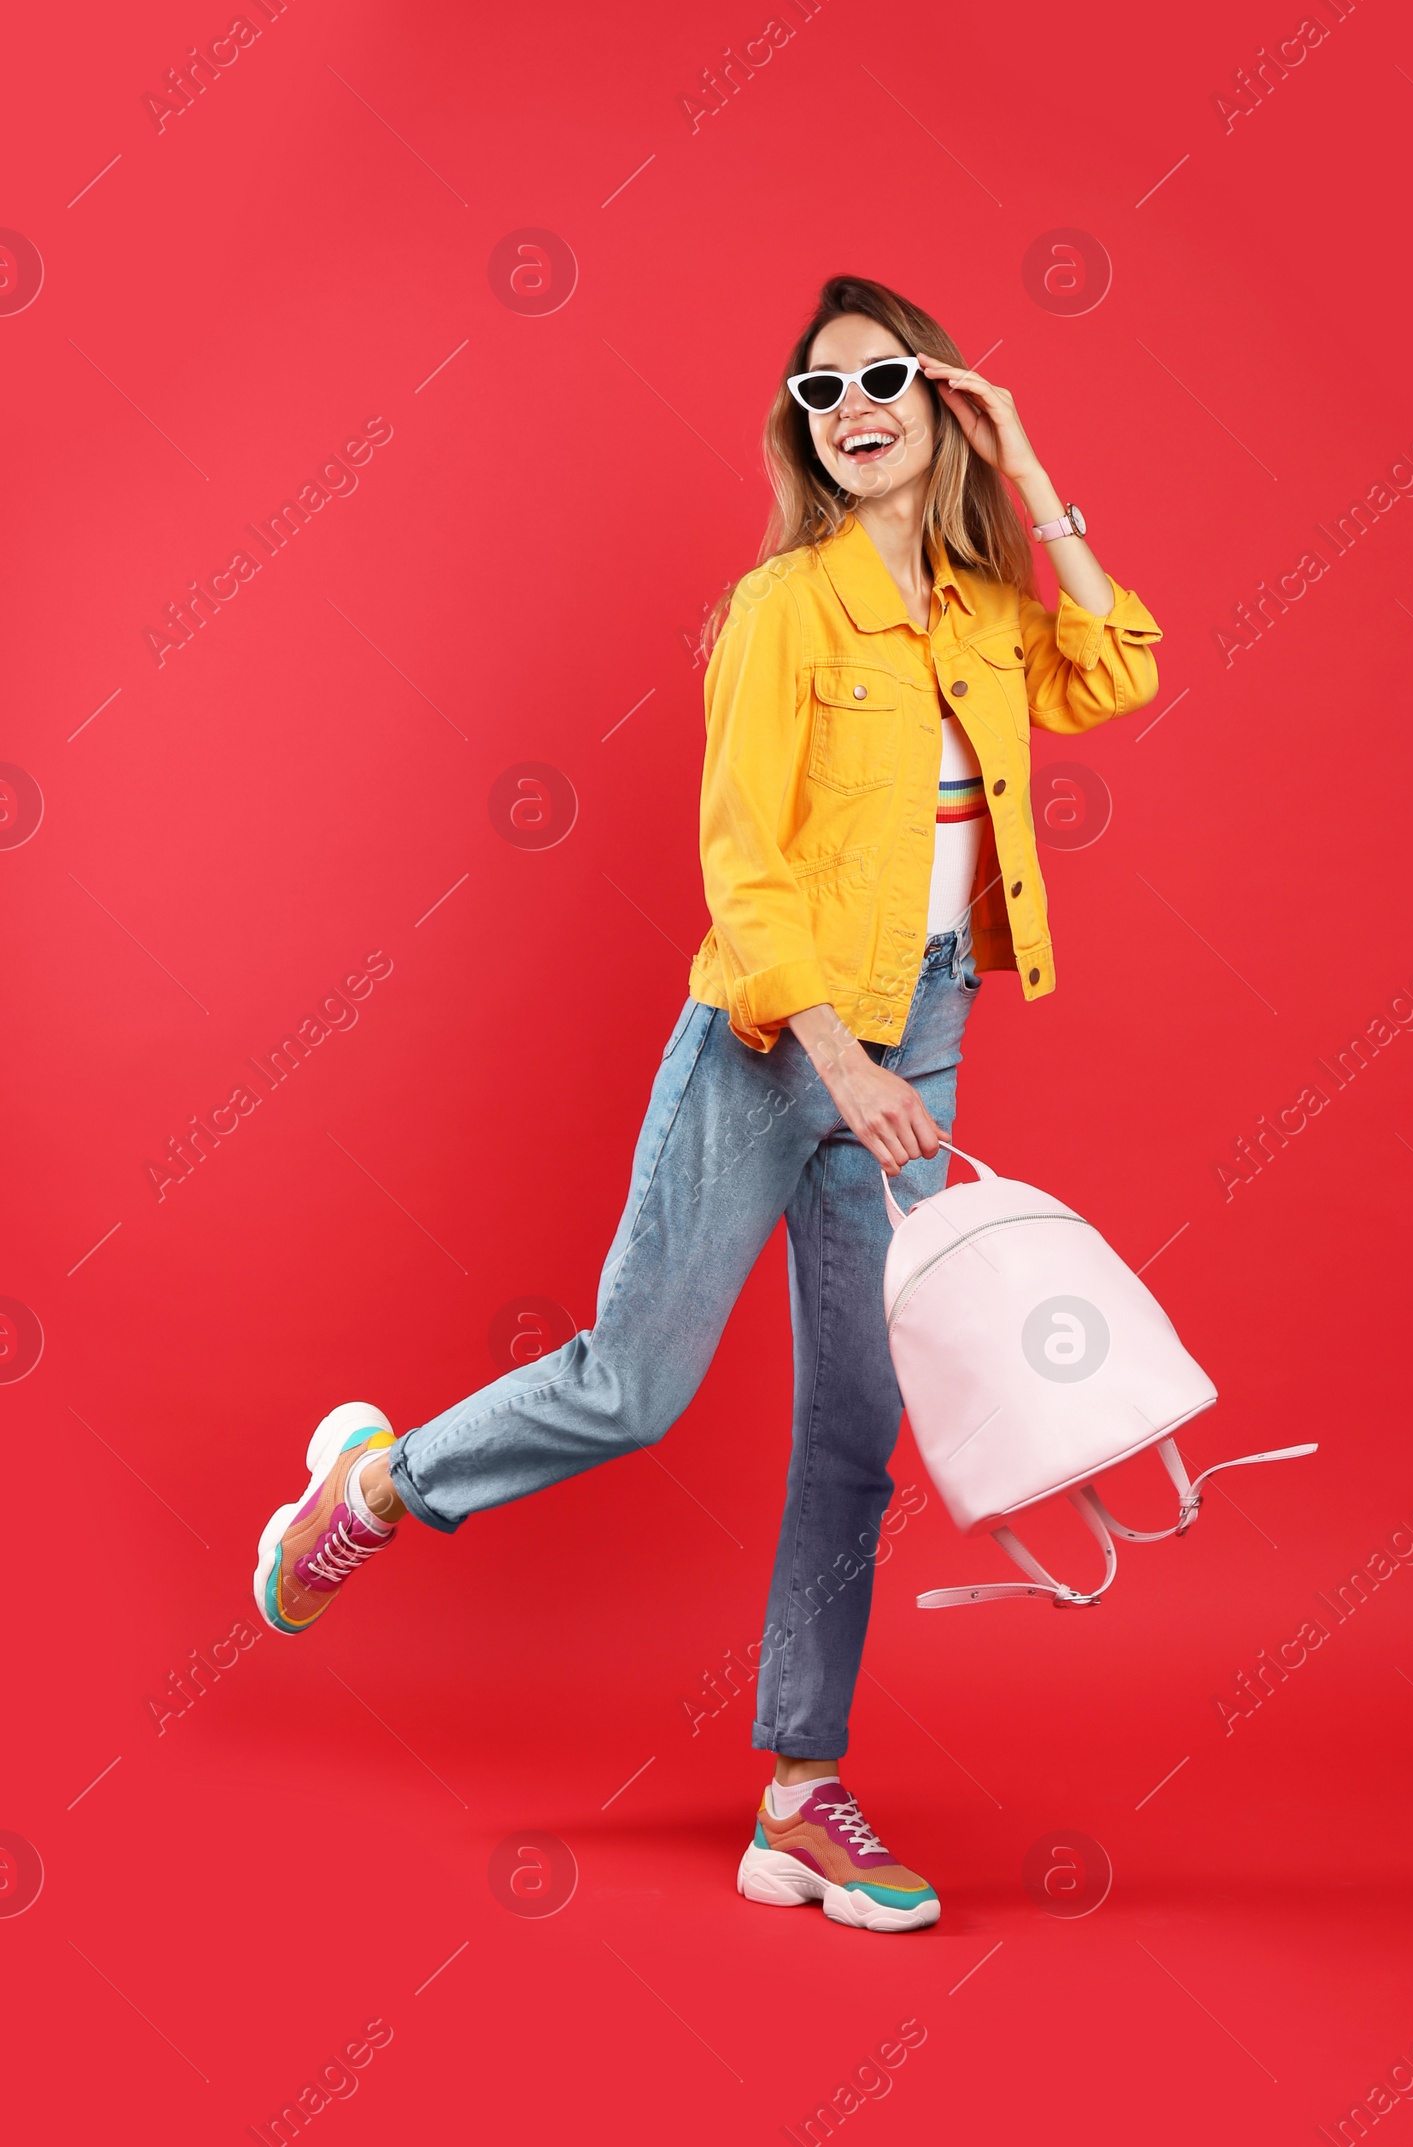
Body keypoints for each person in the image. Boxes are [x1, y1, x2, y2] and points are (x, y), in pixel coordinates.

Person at [253, 274, 1161, 1934]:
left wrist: (1032, 471)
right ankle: (375, 1490)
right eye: (825, 394)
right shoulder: (783, 609)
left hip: (928, 1031)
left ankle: (801, 1796)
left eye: (885, 377)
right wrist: (842, 1060)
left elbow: (1117, 673)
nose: (856, 408)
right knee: (634, 1387)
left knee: (854, 1436)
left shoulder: (975, 605)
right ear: (806, 435)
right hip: (774, 1046)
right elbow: (743, 871)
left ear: (942, 398)